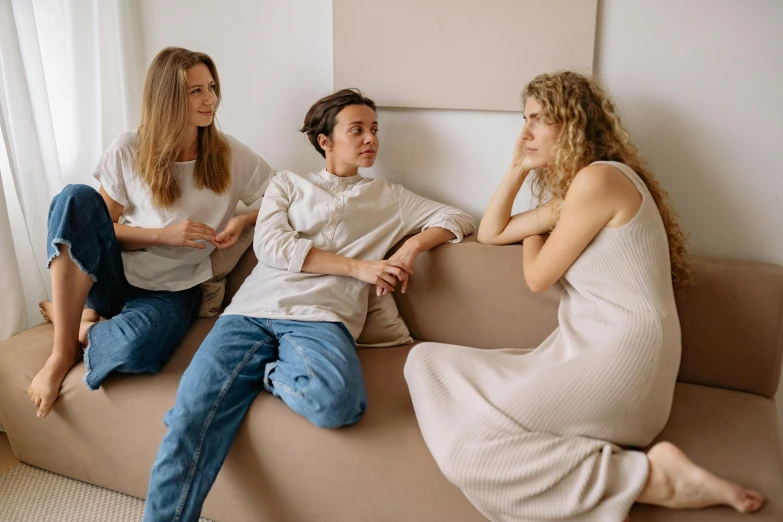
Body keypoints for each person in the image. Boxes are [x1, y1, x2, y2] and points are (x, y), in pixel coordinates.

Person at [404, 71, 764, 521]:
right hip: (577, 351)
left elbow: (536, 277)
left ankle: (650, 477)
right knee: (424, 362)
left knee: (470, 455)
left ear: (571, 123)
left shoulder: (600, 181)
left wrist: (540, 229)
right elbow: (493, 231)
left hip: (624, 361)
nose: (526, 133)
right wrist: (518, 169)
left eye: (538, 120)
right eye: (524, 119)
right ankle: (547, 443)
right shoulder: (576, 192)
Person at [142, 88, 475, 521]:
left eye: (374, 130)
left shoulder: (389, 197)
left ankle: (268, 375)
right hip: (251, 312)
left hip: (321, 319)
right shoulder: (287, 184)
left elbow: (459, 218)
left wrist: (410, 247)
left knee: (339, 404)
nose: (370, 139)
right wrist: (358, 268)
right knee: (189, 417)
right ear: (325, 141)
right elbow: (272, 246)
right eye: (356, 130)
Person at [28, 47, 274, 419]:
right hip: (113, 276)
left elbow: (288, 198)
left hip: (174, 291)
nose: (211, 100)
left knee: (134, 351)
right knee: (74, 198)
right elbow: (100, 227)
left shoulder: (230, 155)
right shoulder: (128, 149)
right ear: (167, 98)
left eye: (211, 87)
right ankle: (61, 354)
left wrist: (243, 220)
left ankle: (80, 326)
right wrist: (163, 236)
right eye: (196, 91)